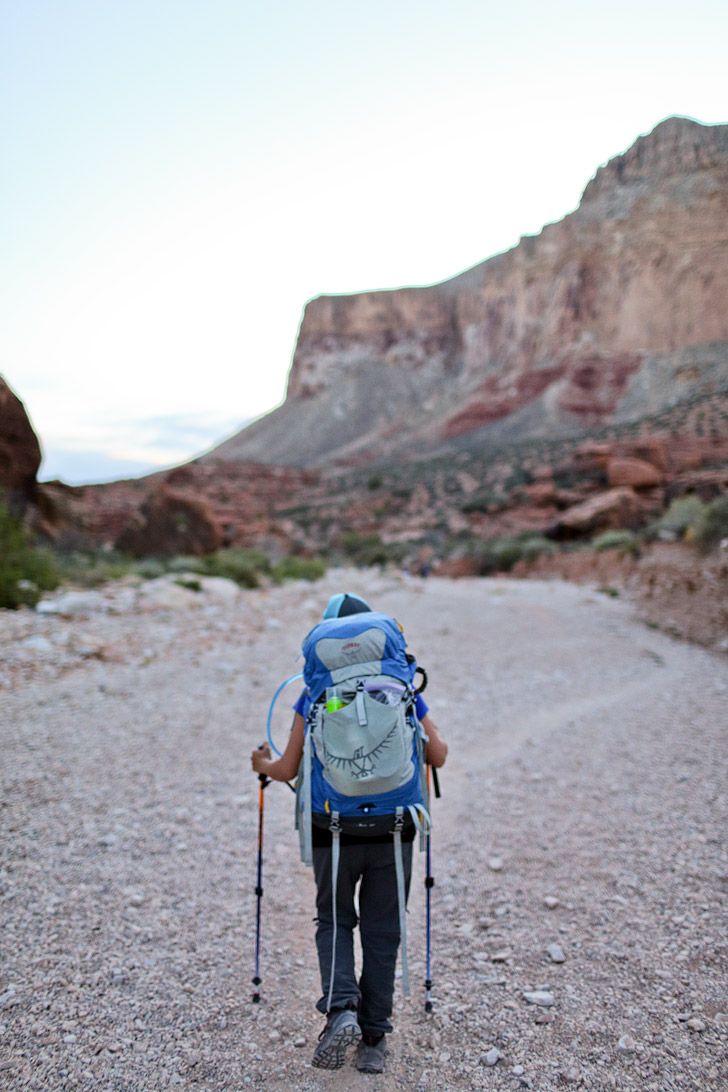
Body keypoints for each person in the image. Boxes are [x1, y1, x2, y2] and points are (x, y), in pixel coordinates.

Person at [251, 592, 448, 1073]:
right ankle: (375, 1038)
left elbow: (289, 766)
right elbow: (438, 755)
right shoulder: (402, 686)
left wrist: (262, 764)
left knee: (335, 919)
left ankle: (341, 1011)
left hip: (332, 828)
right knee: (384, 928)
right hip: (395, 825)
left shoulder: (312, 692)